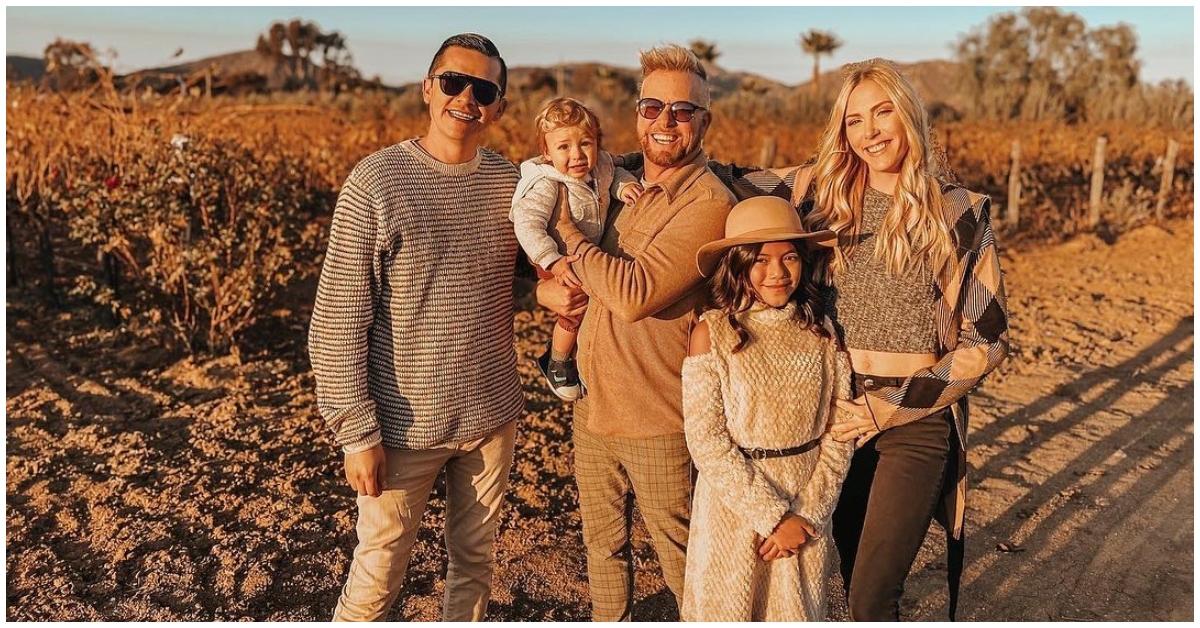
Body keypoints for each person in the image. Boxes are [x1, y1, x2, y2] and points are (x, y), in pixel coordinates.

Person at [308, 33, 523, 621]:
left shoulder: (511, 185)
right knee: (380, 566)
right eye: (454, 82)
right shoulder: (376, 183)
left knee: (475, 563)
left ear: (498, 107)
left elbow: (518, 277)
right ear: (428, 89)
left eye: (484, 89)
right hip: (402, 426)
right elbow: (337, 318)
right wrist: (356, 432)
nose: (466, 98)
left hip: (490, 415)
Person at [798, 59, 1010, 621]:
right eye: (854, 120)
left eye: (883, 112)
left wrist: (890, 406)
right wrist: (608, 169)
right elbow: (718, 175)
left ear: (909, 114)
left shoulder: (959, 213)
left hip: (914, 421)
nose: (870, 132)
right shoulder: (821, 198)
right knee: (840, 579)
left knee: (873, 597)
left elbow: (987, 340)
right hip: (835, 418)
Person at [536, 44, 736, 620]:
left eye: (683, 111)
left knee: (684, 560)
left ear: (705, 121)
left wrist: (567, 233)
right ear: (636, 113)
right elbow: (552, 273)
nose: (665, 122)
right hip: (593, 407)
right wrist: (546, 286)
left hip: (659, 416)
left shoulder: (707, 202)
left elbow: (632, 294)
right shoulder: (602, 177)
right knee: (604, 549)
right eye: (653, 107)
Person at [679, 195, 853, 621]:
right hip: (733, 503)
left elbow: (841, 428)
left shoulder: (822, 333)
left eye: (789, 258)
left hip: (806, 496)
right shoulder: (713, 333)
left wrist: (808, 513)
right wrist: (772, 518)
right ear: (738, 264)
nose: (777, 273)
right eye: (760, 260)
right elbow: (706, 440)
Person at [509, 97, 642, 400]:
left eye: (585, 143)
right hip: (555, 256)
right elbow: (527, 225)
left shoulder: (603, 166)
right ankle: (556, 360)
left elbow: (614, 175)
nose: (577, 155)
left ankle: (579, 355)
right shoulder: (546, 185)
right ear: (546, 153)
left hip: (583, 252)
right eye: (564, 147)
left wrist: (625, 186)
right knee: (576, 306)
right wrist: (552, 261)